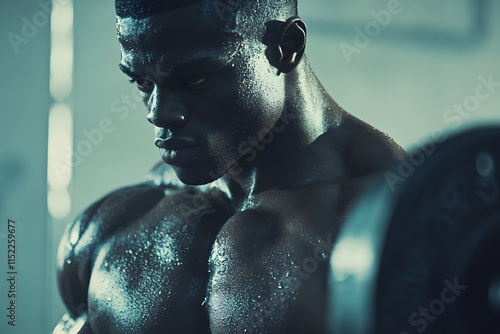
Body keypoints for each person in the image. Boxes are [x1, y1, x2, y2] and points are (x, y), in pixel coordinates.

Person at [53, 0, 405, 333]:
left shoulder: (395, 220)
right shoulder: (109, 227)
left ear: (285, 47)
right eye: (143, 82)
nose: (159, 114)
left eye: (195, 79)